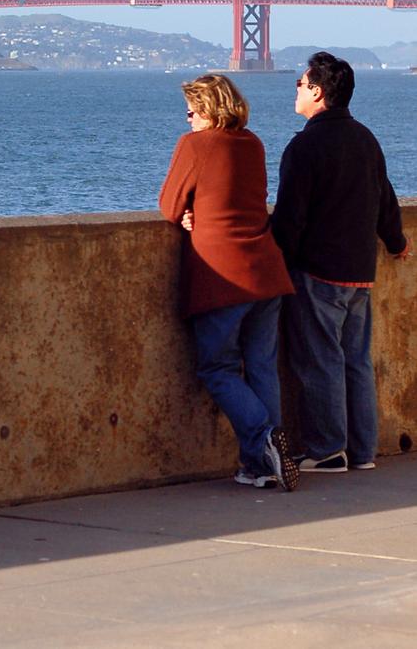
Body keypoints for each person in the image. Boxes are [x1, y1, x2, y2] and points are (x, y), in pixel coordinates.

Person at [271, 52, 410, 473]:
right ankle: (363, 451)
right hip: (359, 273)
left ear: (317, 91)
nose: (295, 89)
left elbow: (289, 218)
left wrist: (277, 262)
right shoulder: (366, 139)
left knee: (320, 361)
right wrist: (396, 241)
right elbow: (384, 198)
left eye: (300, 83)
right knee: (356, 360)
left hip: (318, 272)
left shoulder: (305, 145)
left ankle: (329, 449)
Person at [159, 74, 299, 491]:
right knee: (260, 367)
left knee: (217, 367)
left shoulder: (195, 145)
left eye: (192, 110)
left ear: (208, 109)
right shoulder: (252, 143)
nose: (187, 119)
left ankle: (264, 437)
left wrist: (185, 216)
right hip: (266, 270)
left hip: (223, 276)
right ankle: (261, 466)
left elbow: (169, 204)